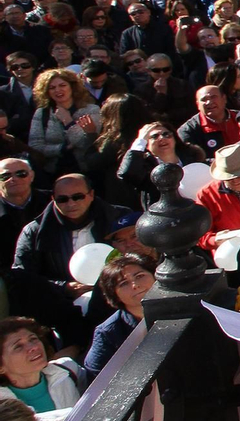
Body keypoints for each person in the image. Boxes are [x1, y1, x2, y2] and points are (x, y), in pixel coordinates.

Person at [11, 175, 135, 346]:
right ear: (53, 199)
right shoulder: (35, 231)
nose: (71, 204)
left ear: (91, 195)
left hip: (120, 296)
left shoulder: (120, 218)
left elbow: (142, 253)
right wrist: (64, 287)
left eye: (78, 197)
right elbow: (23, 277)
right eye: (62, 199)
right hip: (64, 309)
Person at [83, 253, 154, 381]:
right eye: (123, 283)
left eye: (140, 276)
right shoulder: (108, 333)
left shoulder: (181, 307)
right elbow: (97, 378)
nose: (135, 285)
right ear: (114, 294)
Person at [26, 68, 100, 179]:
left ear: (72, 87)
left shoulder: (91, 110)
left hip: (86, 171)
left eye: (62, 85)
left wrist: (68, 122)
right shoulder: (42, 113)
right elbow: (35, 146)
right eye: (52, 88)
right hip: (52, 172)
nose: (57, 90)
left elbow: (87, 143)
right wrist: (61, 149)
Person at [116, 122, 205, 208]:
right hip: (165, 217)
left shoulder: (193, 157)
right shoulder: (146, 168)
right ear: (146, 145)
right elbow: (127, 174)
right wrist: (140, 140)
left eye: (166, 134)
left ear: (174, 139)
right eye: (154, 136)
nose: (162, 138)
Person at [0, 317, 80, 413]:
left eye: (33, 339)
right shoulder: (2, 406)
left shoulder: (68, 370)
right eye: (18, 346)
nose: (33, 347)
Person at [0, 159, 48, 276]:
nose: (13, 179)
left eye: (21, 174)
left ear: (32, 176)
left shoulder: (55, 202)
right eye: (5, 176)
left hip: (52, 273)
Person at [176, 85, 238, 159]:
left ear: (224, 99)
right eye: (204, 99)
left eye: (213, 97)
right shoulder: (188, 130)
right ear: (198, 104)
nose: (209, 102)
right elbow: (193, 159)